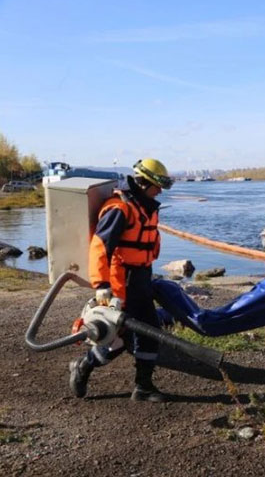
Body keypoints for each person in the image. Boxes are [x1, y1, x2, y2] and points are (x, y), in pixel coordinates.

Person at [68, 158, 173, 402]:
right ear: (143, 183)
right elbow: (100, 248)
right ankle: (83, 366)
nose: (160, 192)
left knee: (149, 331)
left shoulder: (145, 207)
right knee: (117, 337)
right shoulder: (119, 209)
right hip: (120, 282)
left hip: (141, 278)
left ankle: (144, 387)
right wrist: (101, 286)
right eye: (157, 186)